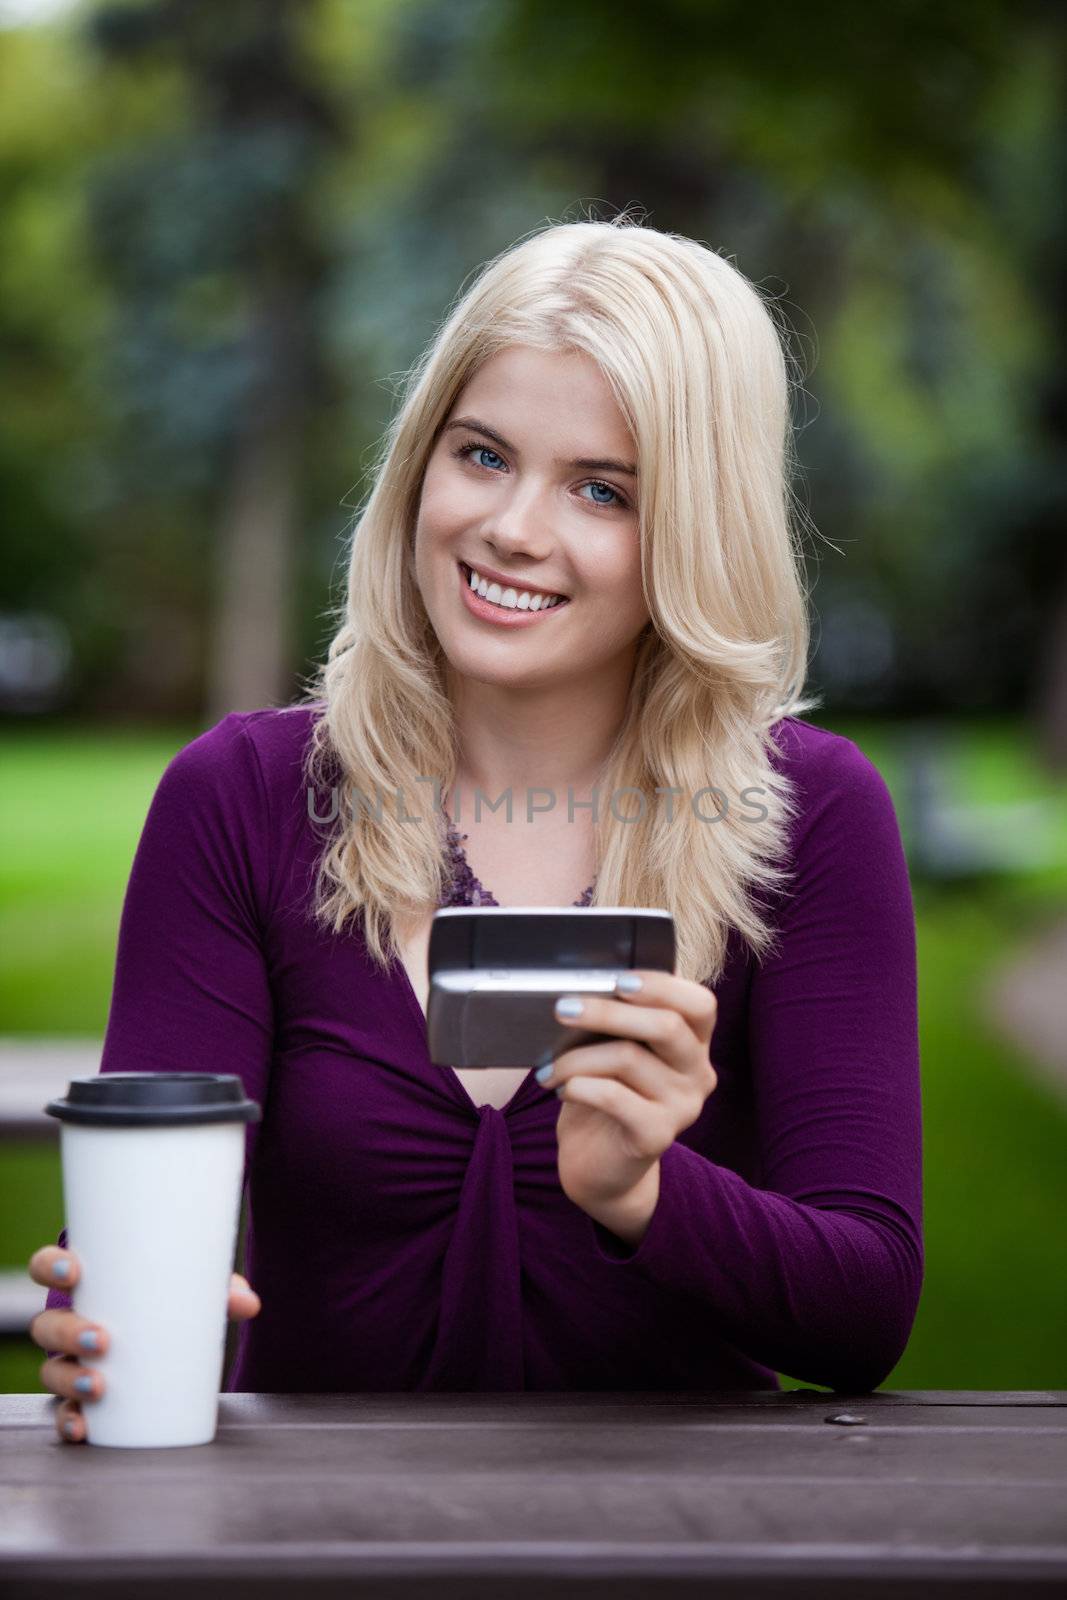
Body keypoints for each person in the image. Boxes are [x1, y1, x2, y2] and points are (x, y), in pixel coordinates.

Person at [28, 215, 923, 1443]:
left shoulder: (809, 815)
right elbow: (144, 1223)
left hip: (680, 1547)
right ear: (419, 464)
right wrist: (108, 1323)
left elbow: (862, 1310)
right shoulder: (241, 798)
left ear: (691, 531)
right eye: (483, 454)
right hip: (299, 1553)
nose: (512, 526)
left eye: (599, 489)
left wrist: (645, 1190)